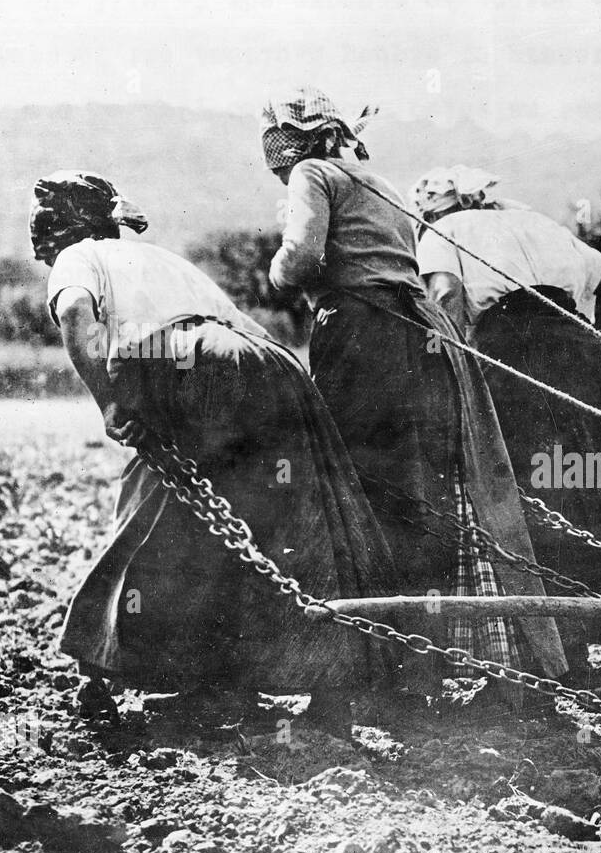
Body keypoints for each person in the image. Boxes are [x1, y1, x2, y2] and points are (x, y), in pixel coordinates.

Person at [33, 169, 400, 731]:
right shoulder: (158, 259)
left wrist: (110, 403)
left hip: (188, 358)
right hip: (270, 362)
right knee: (294, 519)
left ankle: (98, 668)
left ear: (63, 229)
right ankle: (316, 680)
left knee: (152, 502)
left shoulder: (77, 258)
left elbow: (76, 316)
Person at [261, 90, 567, 701]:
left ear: (301, 139)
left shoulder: (311, 175)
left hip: (362, 335)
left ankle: (380, 660)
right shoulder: (382, 183)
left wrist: (278, 275)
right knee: (419, 489)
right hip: (423, 338)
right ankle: (421, 659)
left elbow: (300, 258)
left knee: (361, 486)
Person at [411, 167, 601, 685]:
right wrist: (584, 348)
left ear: (431, 209)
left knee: (529, 497)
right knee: (592, 488)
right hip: (582, 356)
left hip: (511, 356)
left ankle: (567, 650)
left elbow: (446, 299)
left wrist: (456, 370)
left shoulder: (441, 234)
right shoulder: (538, 224)